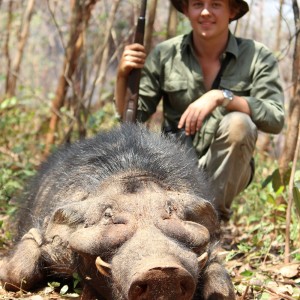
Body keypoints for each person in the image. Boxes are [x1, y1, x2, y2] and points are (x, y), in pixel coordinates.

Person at [114, 0, 285, 221]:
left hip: (230, 169)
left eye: (215, 4)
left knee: (239, 124)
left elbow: (276, 117)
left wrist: (221, 97)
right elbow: (132, 117)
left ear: (232, 11)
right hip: (175, 164)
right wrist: (121, 77)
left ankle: (212, 221)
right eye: (197, 4)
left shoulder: (257, 56)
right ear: (186, 10)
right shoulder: (165, 54)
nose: (205, 12)